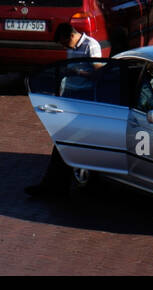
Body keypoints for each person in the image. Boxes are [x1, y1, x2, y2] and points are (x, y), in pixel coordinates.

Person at [25, 25, 102, 198]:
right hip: (71, 98)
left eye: (65, 43)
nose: (66, 48)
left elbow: (98, 72)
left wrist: (78, 72)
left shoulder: (91, 46)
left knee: (69, 141)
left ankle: (58, 186)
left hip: (85, 100)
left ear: (71, 36)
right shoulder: (72, 48)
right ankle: (56, 184)